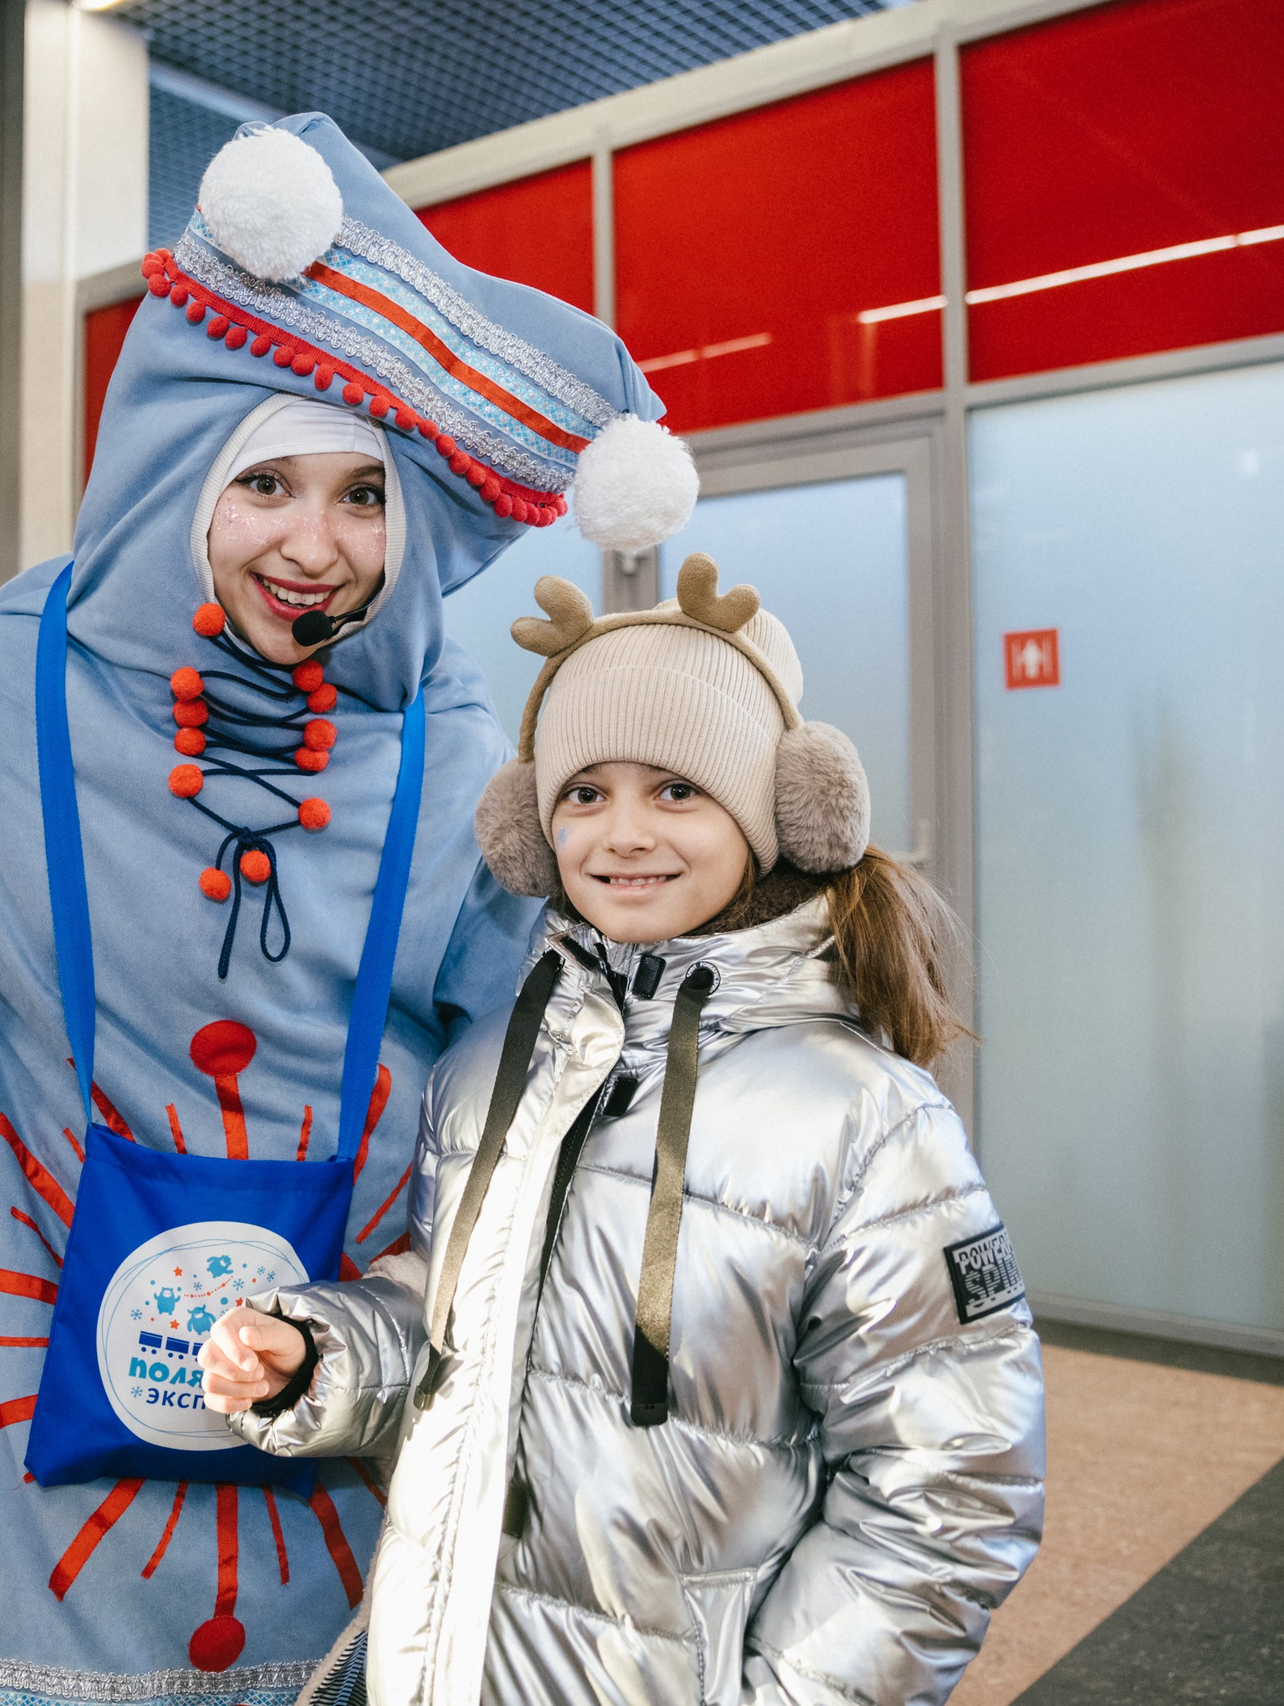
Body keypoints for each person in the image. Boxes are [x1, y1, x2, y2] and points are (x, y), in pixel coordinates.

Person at [0, 116, 699, 1706]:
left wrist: (423, 1205)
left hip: (331, 1342)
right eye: (266, 484)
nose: (314, 548)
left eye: (364, 500)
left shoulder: (455, 745)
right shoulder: (4, 683)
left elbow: (510, 1008)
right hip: (12, 1317)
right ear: (185, 476)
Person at [202, 557, 1047, 1705]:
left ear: (774, 811)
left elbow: (955, 1486)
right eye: (584, 792)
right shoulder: (486, 1067)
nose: (623, 832)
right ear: (531, 823)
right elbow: (456, 1315)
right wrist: (326, 1350)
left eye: (678, 790)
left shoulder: (865, 1118)